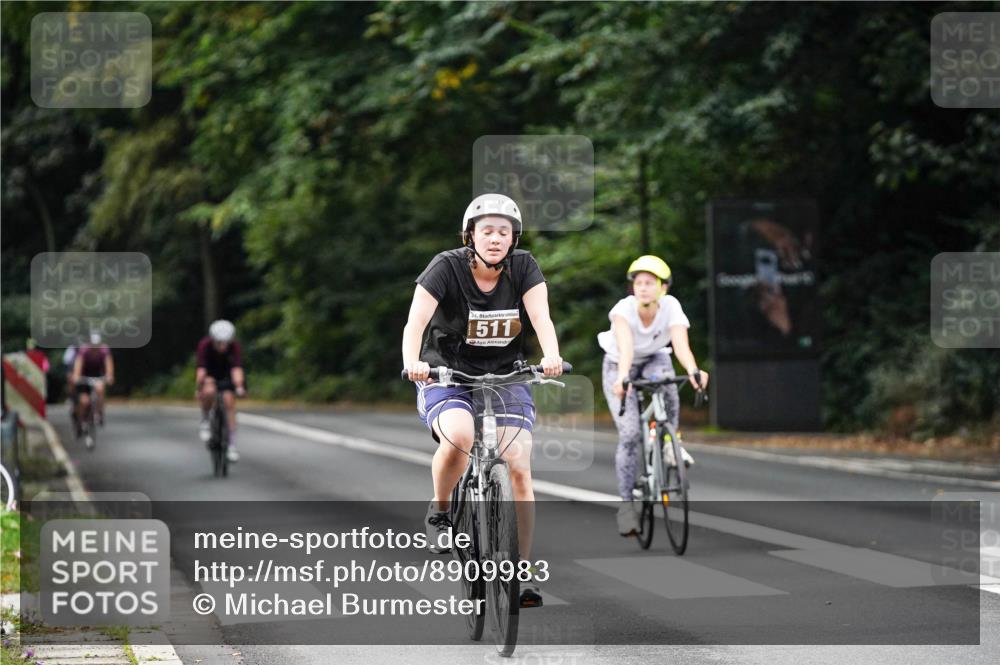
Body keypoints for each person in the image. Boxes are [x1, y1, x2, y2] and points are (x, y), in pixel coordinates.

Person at [402, 193, 564, 608]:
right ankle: (439, 511)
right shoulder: (446, 267)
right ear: (470, 235)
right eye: (487, 231)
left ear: (514, 238)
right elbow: (416, 321)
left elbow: (541, 317)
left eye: (504, 232)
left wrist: (550, 355)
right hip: (448, 373)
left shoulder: (524, 267)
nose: (495, 239)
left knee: (520, 467)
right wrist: (413, 362)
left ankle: (522, 571)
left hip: (506, 374)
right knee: (460, 436)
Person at [597, 255, 708, 536]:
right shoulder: (623, 310)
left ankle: (671, 440)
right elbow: (625, 347)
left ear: (663, 288)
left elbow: (680, 345)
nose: (643, 287)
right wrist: (624, 378)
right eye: (638, 282)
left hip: (655, 358)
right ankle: (626, 507)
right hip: (619, 363)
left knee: (669, 382)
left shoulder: (671, 307)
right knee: (631, 433)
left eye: (650, 283)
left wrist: (695, 371)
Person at [195, 320, 246, 463]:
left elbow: (237, 368)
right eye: (219, 343)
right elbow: (201, 370)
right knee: (209, 391)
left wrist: (239, 386)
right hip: (210, 373)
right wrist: (199, 387)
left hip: (226, 374)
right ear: (213, 340)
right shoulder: (205, 346)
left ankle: (231, 444)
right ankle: (205, 419)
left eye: (226, 343)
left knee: (229, 401)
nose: (223, 346)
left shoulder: (234, 347)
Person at [71, 332, 114, 432]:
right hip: (84, 376)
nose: (95, 348)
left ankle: (99, 412)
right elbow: (78, 365)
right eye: (93, 346)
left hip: (98, 375)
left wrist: (110, 376)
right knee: (84, 401)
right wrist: (76, 377)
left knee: (100, 388)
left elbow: (109, 366)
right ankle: (81, 421)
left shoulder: (104, 350)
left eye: (97, 346)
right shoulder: (84, 351)